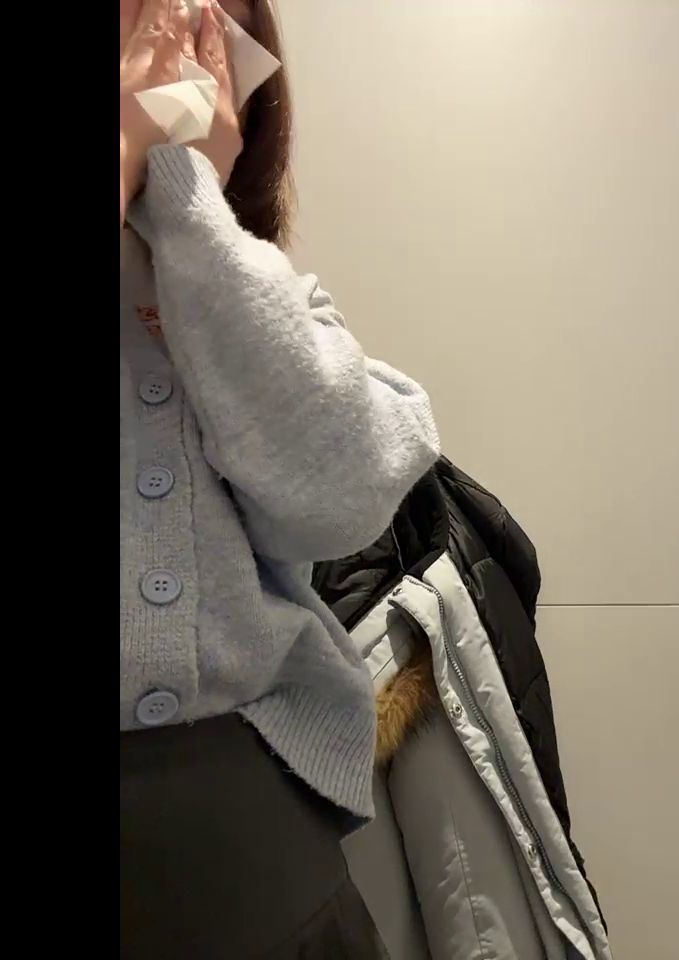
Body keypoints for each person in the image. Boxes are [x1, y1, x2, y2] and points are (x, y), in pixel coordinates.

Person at [119, 1, 440, 956]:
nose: (166, 69)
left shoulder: (256, 294)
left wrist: (187, 201)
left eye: (201, 43)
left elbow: (342, 498)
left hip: (253, 843)